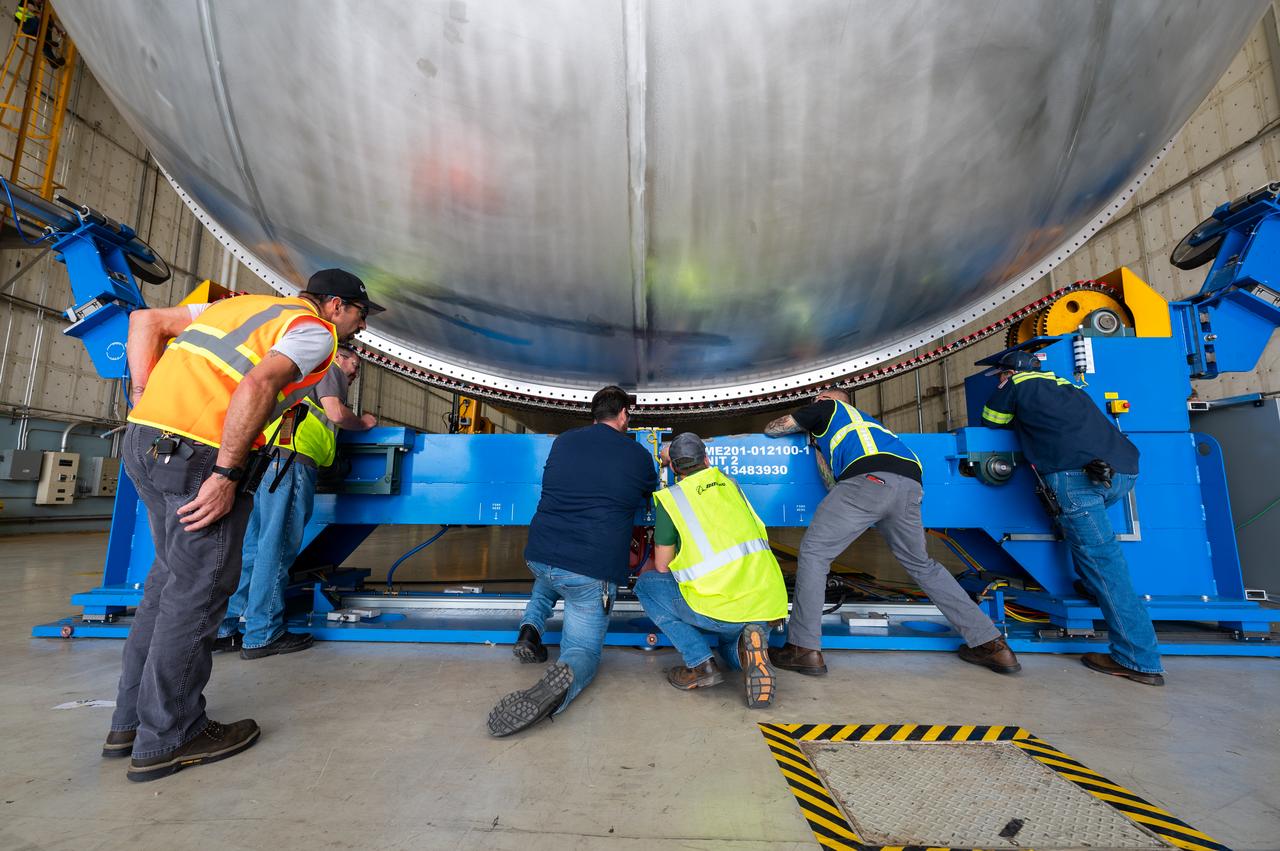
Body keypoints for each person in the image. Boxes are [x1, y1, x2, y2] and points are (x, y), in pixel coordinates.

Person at [104, 268, 381, 782]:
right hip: (198, 457)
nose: (360, 328)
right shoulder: (314, 331)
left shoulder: (239, 308)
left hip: (146, 443)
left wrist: (141, 394)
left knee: (167, 583)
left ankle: (127, 725)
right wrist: (227, 472)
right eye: (362, 315)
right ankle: (169, 736)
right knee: (198, 593)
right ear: (337, 305)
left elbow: (144, 321)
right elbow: (258, 383)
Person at [763, 388, 1020, 676]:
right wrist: (818, 448)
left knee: (814, 554)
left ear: (825, 400)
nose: (815, 401)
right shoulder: (872, 429)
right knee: (921, 565)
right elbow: (833, 484)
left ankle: (803, 649)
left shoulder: (827, 408)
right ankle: (991, 644)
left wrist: (799, 423)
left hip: (868, 480)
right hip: (909, 486)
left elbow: (775, 429)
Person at [980, 349, 1161, 686]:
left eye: (999, 374)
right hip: (1121, 473)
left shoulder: (1016, 383)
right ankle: (1091, 586)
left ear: (1010, 370)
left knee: (1104, 563)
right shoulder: (1068, 385)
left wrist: (1005, 391)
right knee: (1084, 540)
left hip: (1076, 480)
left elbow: (991, 424)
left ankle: (1139, 659)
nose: (999, 378)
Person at [488, 385, 658, 737]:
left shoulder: (563, 441)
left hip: (539, 555)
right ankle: (560, 684)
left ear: (593, 413)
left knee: (552, 573)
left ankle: (530, 630)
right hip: (590, 570)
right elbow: (650, 492)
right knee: (582, 649)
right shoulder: (638, 455)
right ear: (624, 414)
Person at [215, 345, 377, 659]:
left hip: (268, 464)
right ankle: (263, 634)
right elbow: (336, 413)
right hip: (292, 466)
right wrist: (364, 423)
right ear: (340, 357)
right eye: (354, 365)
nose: (354, 373)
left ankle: (224, 630)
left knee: (252, 549)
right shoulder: (329, 367)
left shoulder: (299, 375)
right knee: (276, 549)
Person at [634, 433, 787, 708]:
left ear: (674, 470)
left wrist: (665, 456)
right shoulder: (732, 485)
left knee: (647, 586)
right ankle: (749, 649)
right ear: (707, 459)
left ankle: (700, 664)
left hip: (720, 607)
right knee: (730, 650)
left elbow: (662, 565)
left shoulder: (673, 499)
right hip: (766, 603)